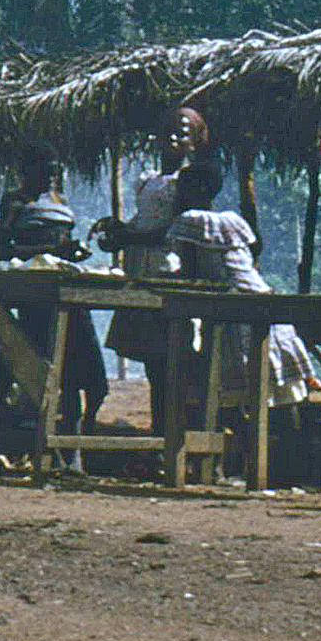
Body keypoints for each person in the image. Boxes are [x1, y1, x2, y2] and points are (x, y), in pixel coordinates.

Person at [93, 107, 215, 424]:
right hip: (142, 268)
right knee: (152, 354)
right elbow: (145, 220)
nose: (173, 138)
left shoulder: (190, 182)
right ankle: (160, 427)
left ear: (195, 142)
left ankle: (175, 427)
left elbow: (179, 229)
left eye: (183, 133)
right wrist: (120, 231)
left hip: (169, 269)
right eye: (169, 131)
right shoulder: (150, 180)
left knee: (174, 351)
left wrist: (130, 238)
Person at [167, 161, 317, 411]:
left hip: (237, 310)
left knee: (242, 386)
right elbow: (253, 249)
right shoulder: (232, 220)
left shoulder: (191, 220)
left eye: (183, 187)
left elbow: (190, 274)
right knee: (277, 391)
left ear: (201, 189)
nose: (177, 194)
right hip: (262, 300)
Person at [0, 149, 107, 436]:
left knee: (82, 369)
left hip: (68, 291)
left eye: (54, 172)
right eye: (44, 170)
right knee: (43, 367)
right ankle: (41, 439)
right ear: (27, 170)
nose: (51, 177)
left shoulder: (59, 201)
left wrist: (72, 253)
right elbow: (3, 250)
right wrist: (51, 250)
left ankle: (76, 440)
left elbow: (63, 247)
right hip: (35, 295)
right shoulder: (15, 202)